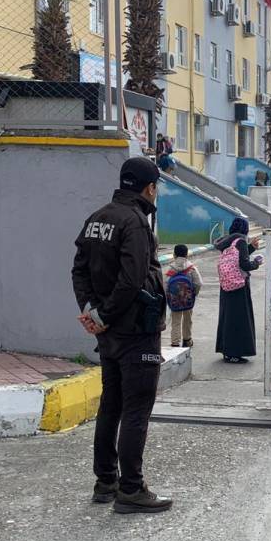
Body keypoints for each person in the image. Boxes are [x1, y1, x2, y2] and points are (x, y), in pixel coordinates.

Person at [71, 156, 173, 514]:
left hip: (109, 333)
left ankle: (105, 481)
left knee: (111, 404)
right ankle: (130, 488)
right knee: (136, 410)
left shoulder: (97, 218)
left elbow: (79, 269)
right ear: (149, 188)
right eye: (156, 188)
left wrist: (91, 312)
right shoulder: (135, 224)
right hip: (135, 332)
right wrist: (104, 313)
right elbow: (132, 280)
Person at [214, 217, 262, 363]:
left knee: (227, 317)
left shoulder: (228, 242)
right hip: (239, 285)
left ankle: (226, 350)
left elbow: (237, 258)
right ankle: (235, 353)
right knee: (238, 319)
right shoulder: (240, 241)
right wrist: (257, 263)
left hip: (226, 284)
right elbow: (244, 264)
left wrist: (251, 247)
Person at [164, 244, 202, 348]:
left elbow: (165, 284)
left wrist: (168, 296)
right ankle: (187, 340)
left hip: (175, 300)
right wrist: (193, 294)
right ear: (186, 254)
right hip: (187, 299)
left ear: (174, 255)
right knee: (187, 319)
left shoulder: (170, 268)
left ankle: (175, 342)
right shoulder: (191, 268)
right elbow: (198, 283)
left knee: (175, 320)